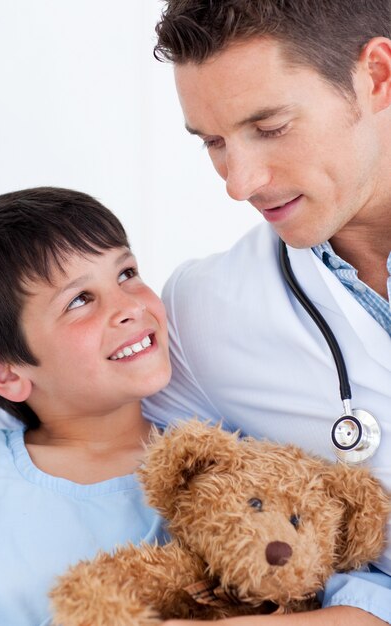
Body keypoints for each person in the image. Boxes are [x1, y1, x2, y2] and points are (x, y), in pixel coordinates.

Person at [143, 1, 391, 625]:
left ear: (378, 75)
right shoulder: (205, 311)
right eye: (215, 143)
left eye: (271, 127)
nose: (239, 181)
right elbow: (62, 417)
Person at [0, 186, 172, 625]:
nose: (129, 307)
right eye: (79, 300)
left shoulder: (218, 472)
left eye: (126, 273)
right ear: (5, 373)